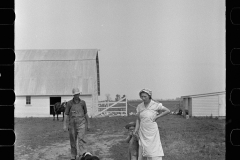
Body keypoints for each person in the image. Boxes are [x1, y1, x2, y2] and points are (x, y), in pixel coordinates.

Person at [133, 89, 170, 160]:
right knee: (143, 148)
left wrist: (157, 117)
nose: (143, 98)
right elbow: (138, 119)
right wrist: (136, 129)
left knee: (153, 148)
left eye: (145, 96)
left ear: (149, 96)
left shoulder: (155, 105)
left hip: (152, 130)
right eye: (141, 96)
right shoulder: (140, 106)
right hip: (143, 130)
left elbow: (167, 110)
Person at [63, 88, 90, 160]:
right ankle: (73, 155)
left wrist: (88, 124)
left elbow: (86, 114)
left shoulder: (83, 103)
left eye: (77, 94)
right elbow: (66, 114)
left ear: (79, 94)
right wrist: (65, 125)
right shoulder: (69, 103)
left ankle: (82, 154)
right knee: (73, 140)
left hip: (81, 124)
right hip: (72, 125)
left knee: (82, 139)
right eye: (75, 94)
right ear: (73, 95)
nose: (76, 96)